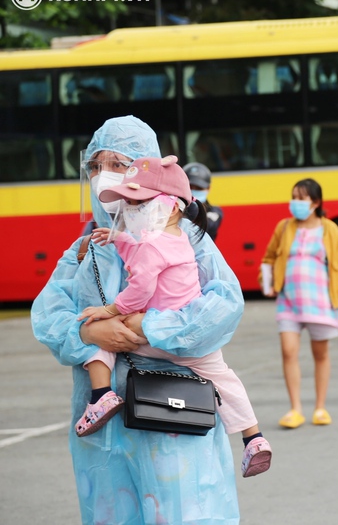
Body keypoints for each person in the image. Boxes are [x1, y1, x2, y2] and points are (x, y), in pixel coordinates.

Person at [31, 116, 245, 524]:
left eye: (116, 163)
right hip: (104, 420)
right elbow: (48, 313)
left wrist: (148, 328)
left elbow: (224, 306)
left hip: (173, 411)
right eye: (94, 166)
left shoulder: (186, 237)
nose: (101, 176)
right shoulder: (87, 247)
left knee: (184, 511)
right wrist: (89, 332)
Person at [75, 155, 271, 478]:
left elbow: (139, 289)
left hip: (146, 334)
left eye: (139, 204)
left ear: (172, 207)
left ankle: (100, 396)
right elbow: (141, 250)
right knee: (225, 378)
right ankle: (253, 437)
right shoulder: (183, 239)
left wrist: (109, 311)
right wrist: (118, 238)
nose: (132, 211)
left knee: (99, 335)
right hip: (191, 341)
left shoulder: (150, 245)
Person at [260, 178, 338, 429]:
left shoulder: (330, 230)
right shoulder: (284, 227)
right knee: (288, 352)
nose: (295, 202)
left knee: (321, 354)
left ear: (315, 202)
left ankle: (320, 407)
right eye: (293, 196)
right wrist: (267, 281)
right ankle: (295, 408)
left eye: (301, 198)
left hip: (321, 304)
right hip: (289, 303)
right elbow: (269, 258)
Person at [184, 161, 225, 241]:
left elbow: (206, 226)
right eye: (190, 187)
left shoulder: (215, 211)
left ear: (208, 188)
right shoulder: (174, 207)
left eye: (199, 188)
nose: (193, 190)